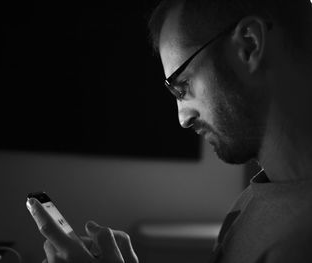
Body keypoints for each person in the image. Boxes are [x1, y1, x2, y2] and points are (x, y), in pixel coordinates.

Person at [26, 0, 312, 262]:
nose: (183, 119)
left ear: (249, 45)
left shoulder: (297, 244)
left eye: (182, 86)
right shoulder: (257, 199)